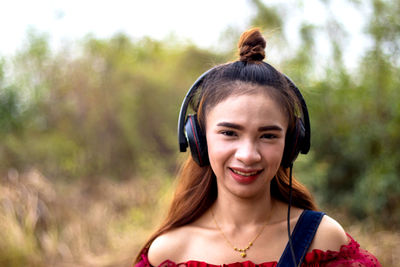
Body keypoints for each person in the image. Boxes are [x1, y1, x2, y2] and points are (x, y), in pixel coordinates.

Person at [134, 28, 381, 267]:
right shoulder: (169, 253)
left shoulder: (322, 240)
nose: (248, 155)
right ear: (198, 139)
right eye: (229, 133)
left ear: (292, 142)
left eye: (268, 136)